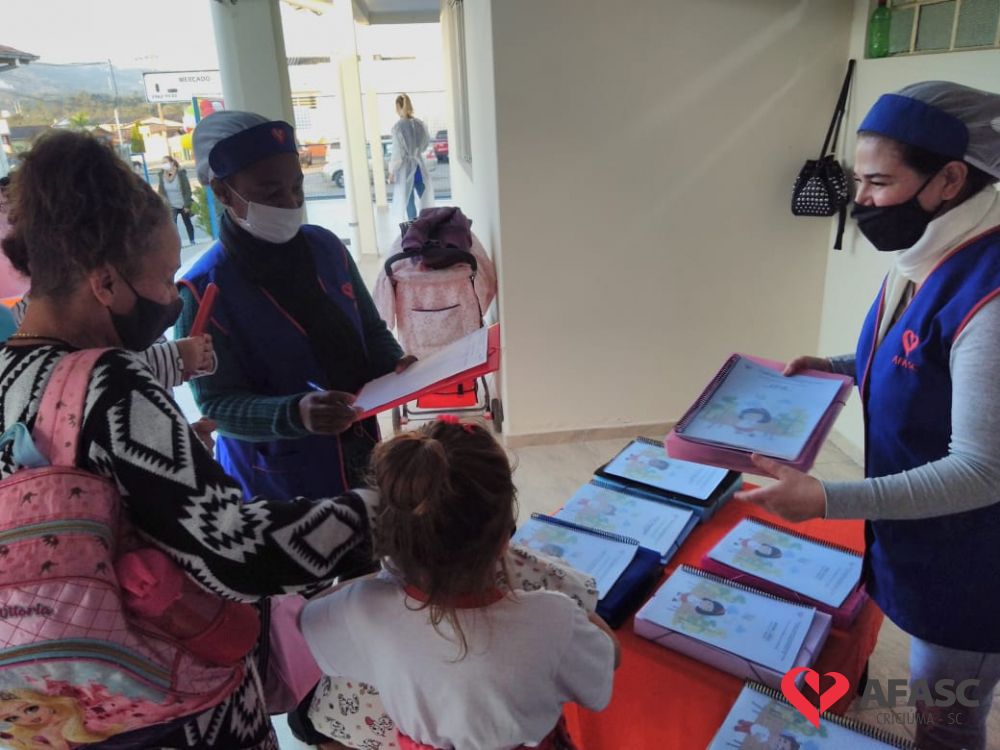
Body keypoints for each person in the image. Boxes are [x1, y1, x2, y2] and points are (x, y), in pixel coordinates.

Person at [0, 129, 379, 750]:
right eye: (166, 277)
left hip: (55, 712)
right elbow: (236, 555)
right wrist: (379, 512)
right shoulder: (112, 384)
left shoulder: (11, 373)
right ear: (104, 283)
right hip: (168, 713)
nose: (174, 297)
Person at [736, 82, 1000, 750]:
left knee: (946, 724)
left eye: (879, 183)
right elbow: (923, 353)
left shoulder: (990, 292)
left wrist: (828, 498)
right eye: (859, 180)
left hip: (974, 564)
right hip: (922, 537)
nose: (861, 201)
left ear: (949, 180)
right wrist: (839, 365)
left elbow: (983, 471)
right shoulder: (925, 254)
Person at [300, 418, 619, 750]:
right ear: (503, 539)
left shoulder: (362, 609)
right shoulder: (553, 619)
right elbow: (609, 659)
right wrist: (573, 611)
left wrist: (376, 579)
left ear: (390, 536)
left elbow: (305, 622)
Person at [179, 111, 414, 502]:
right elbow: (216, 405)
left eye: (298, 188)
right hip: (276, 484)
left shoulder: (327, 248)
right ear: (222, 192)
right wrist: (294, 413)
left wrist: (396, 364)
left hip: (360, 454)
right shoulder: (203, 291)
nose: (290, 203)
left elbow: (370, 330)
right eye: (272, 193)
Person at [388, 94, 435, 221]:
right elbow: (425, 144)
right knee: (424, 197)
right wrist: (416, 152)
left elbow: (397, 153)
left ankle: (413, 228)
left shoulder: (398, 127)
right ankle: (428, 223)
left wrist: (392, 171)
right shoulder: (420, 124)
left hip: (406, 169)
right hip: (419, 166)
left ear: (398, 107)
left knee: (409, 200)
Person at [157, 155, 196, 246]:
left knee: (187, 223)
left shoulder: (180, 174)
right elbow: (161, 191)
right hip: (171, 205)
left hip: (182, 203)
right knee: (173, 226)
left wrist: (187, 205)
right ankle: (177, 244)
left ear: (172, 163)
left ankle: (192, 240)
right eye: (162, 163)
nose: (163, 164)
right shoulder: (162, 176)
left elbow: (187, 189)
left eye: (165, 162)